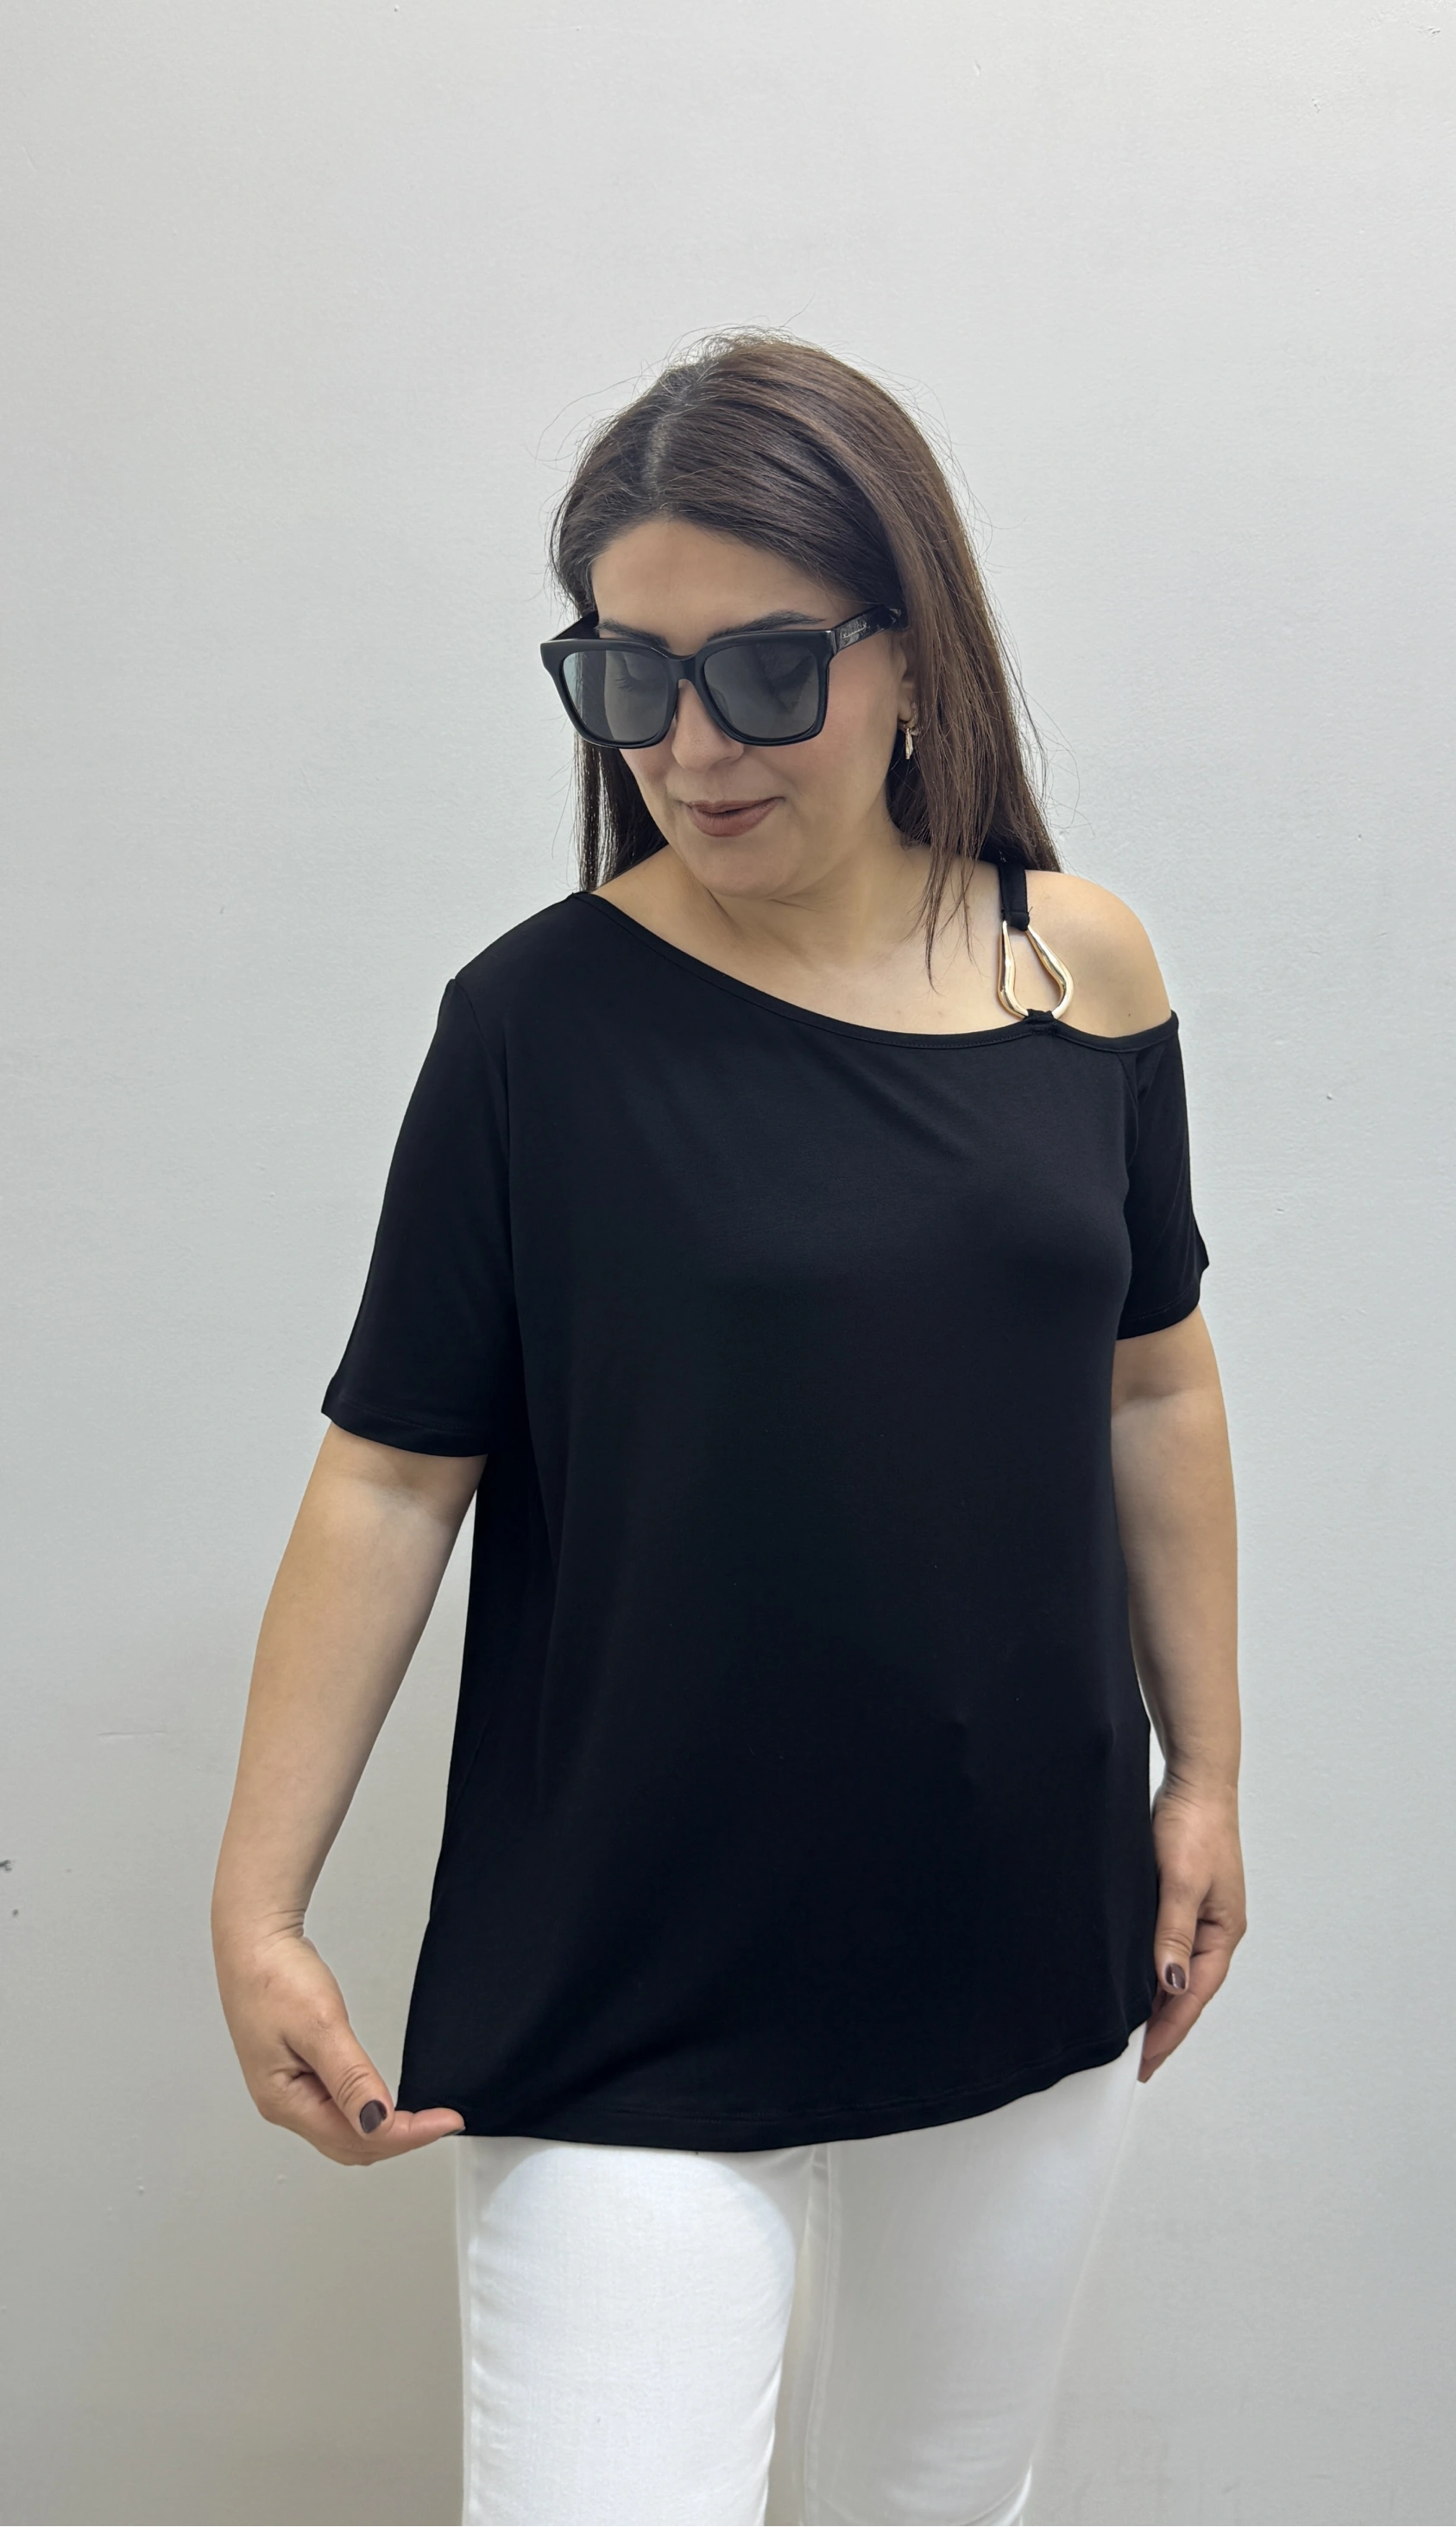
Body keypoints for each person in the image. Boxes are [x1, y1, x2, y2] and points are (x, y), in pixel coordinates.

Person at [211, 331, 1245, 2527]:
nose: (691, 747)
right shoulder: (534, 1028)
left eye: (767, 673)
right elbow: (392, 1471)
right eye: (628, 679)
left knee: (939, 2503)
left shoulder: (1084, 975)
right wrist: (260, 1899)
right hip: (628, 1967)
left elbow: (1155, 1373)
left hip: (1018, 1926)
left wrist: (1209, 1774)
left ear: (910, 655)